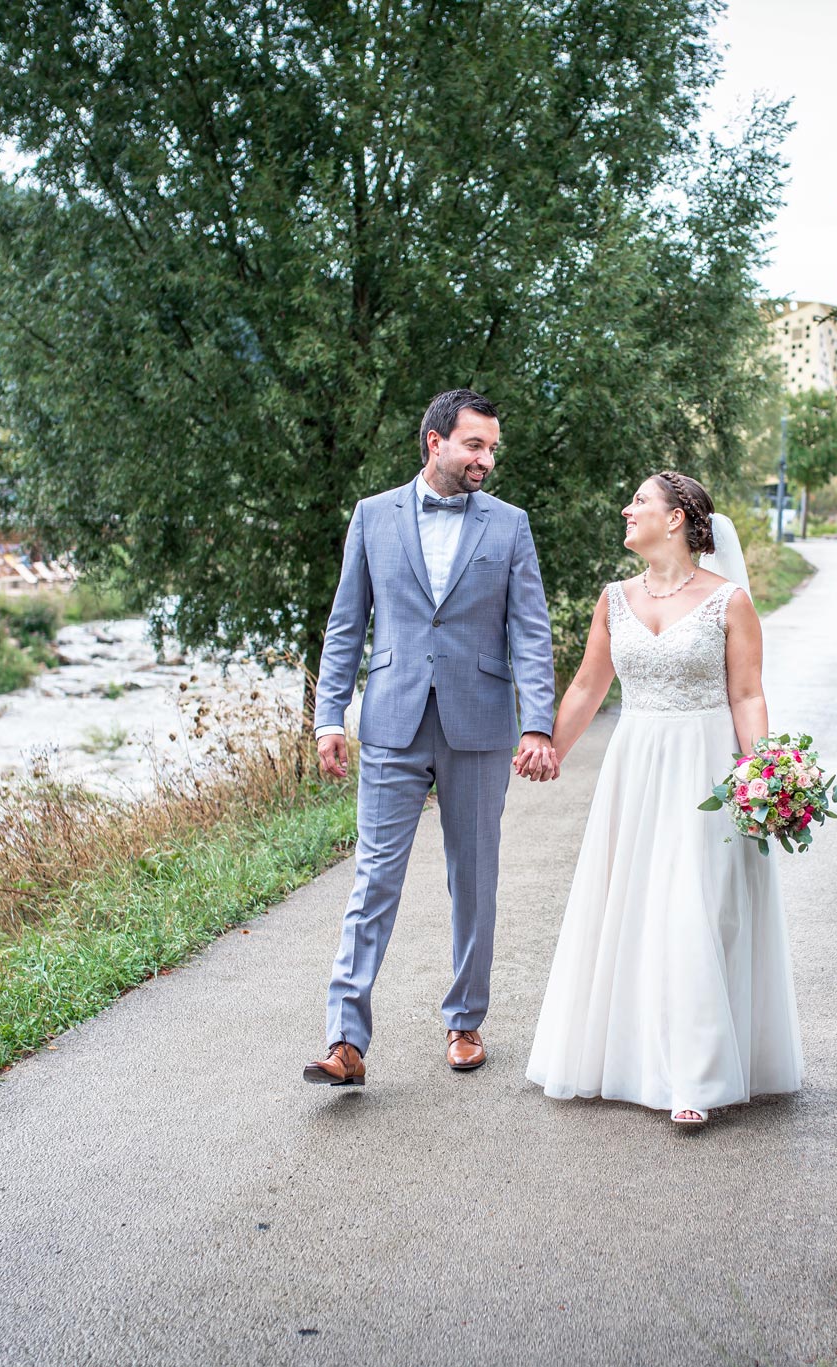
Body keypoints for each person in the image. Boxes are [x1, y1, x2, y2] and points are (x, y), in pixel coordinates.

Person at [521, 471, 804, 1126]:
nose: (628, 508)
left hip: (705, 764)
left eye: (641, 501)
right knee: (637, 907)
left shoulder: (729, 601)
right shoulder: (613, 598)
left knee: (695, 909)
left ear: (675, 518)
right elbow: (589, 686)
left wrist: (763, 774)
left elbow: (747, 695)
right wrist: (549, 748)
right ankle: (631, 1058)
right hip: (636, 766)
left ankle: (694, 1077)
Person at [304, 389, 558, 1087]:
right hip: (390, 720)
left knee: (473, 878)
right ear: (435, 443)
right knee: (373, 879)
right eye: (475, 445)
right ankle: (345, 1040)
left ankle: (465, 1020)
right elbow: (345, 625)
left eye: (493, 447)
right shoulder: (372, 516)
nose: (487, 459)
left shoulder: (510, 526)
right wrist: (330, 717)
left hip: (478, 720)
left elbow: (530, 631)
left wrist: (538, 720)